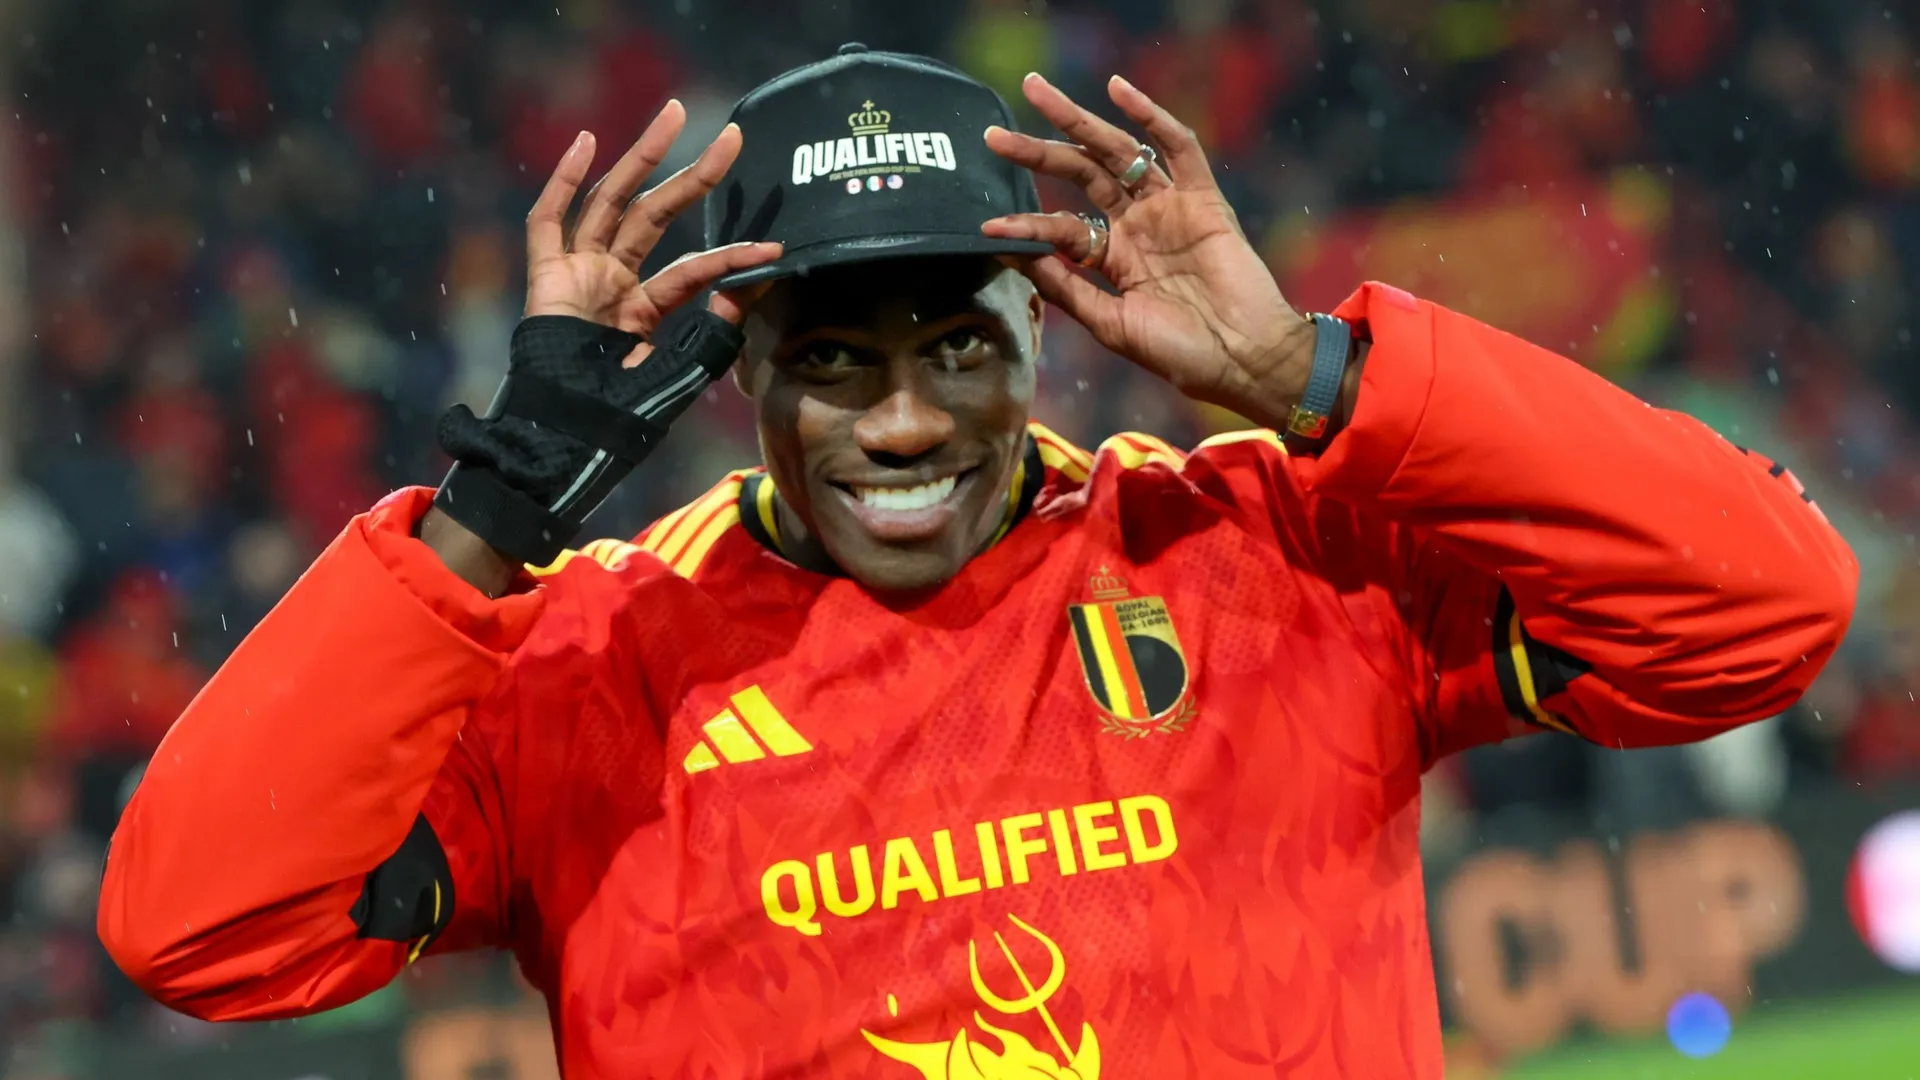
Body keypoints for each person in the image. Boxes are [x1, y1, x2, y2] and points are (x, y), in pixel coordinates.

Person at [97, 46, 1855, 1079]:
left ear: (1042, 330)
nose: (904, 420)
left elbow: (1764, 607)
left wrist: (1314, 374)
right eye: (834, 360)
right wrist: (493, 510)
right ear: (742, 370)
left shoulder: (1276, 562)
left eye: (957, 345)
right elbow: (201, 930)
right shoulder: (592, 660)